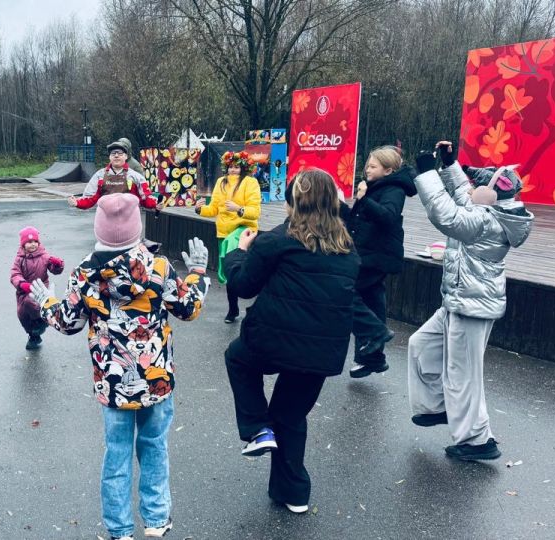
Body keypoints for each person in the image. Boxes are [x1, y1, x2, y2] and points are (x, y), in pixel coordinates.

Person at [30, 193, 209, 540]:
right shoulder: (159, 267)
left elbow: (68, 322)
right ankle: (156, 522)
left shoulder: (85, 273)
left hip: (112, 383)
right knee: (155, 447)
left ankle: (119, 529)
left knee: (117, 454)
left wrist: (46, 302)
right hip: (156, 379)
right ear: (136, 227)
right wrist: (198, 274)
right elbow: (188, 308)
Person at [223, 169, 359, 514]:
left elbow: (243, 286)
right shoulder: (346, 245)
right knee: (290, 416)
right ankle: (294, 492)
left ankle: (256, 428)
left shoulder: (276, 239)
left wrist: (239, 252)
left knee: (237, 358)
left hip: (270, 342)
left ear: (291, 203)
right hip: (320, 354)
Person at [408, 142, 533, 461]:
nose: (474, 186)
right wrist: (450, 165)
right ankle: (438, 407)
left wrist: (427, 174)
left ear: (494, 195)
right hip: (459, 299)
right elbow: (465, 195)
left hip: (472, 305)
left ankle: (477, 440)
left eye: (482, 184)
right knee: (421, 345)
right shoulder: (492, 211)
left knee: (463, 374)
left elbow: (447, 215)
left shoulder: (486, 223)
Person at [345, 146, 417, 378]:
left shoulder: (394, 189)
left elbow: (388, 216)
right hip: (369, 253)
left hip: (376, 256)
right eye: (367, 165)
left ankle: (375, 334)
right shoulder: (377, 187)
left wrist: (364, 199)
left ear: (388, 170)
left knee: (346, 293)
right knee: (373, 300)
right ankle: (372, 358)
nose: (367, 169)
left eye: (373, 166)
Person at [194, 150, 261, 323]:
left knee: (244, 269)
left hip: (243, 231)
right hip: (223, 233)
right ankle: (233, 309)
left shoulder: (250, 182)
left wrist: (239, 209)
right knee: (230, 273)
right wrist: (199, 209)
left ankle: (256, 306)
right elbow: (214, 209)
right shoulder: (220, 182)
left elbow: (255, 212)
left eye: (237, 167)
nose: (233, 170)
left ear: (244, 168)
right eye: (230, 167)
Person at [9, 226, 64, 350]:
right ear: (23, 245)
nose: (32, 244)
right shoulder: (19, 259)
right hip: (24, 290)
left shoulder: (44, 256)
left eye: (35, 241)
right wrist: (22, 284)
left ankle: (42, 322)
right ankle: (33, 335)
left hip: (41, 289)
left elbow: (54, 269)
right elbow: (15, 274)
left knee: (32, 303)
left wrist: (57, 264)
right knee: (22, 315)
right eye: (29, 242)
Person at [69, 140, 158, 210]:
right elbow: (90, 198)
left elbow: (145, 198)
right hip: (106, 224)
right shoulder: (99, 175)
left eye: (120, 153)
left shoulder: (136, 177)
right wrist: (77, 203)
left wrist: (156, 204)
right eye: (113, 153)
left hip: (129, 222)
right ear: (109, 157)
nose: (116, 156)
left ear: (126, 156)